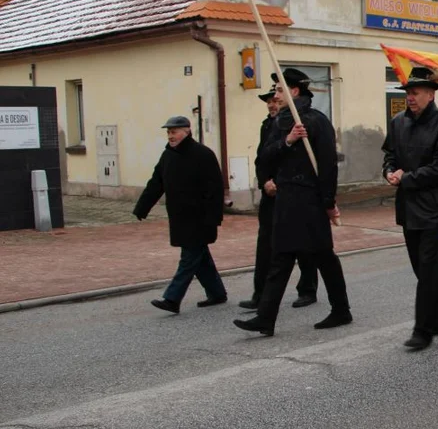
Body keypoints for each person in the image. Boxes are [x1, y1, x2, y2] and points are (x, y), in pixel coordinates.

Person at [234, 69, 352, 336]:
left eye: (279, 90)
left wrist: (328, 202)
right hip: (286, 201)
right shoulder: (280, 123)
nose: (275, 96)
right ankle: (265, 318)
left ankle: (341, 310)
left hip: (310, 202)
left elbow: (328, 166)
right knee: (281, 257)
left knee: (324, 257)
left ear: (294, 91)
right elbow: (265, 158)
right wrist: (287, 141)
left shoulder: (317, 121)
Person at [380, 67, 438, 350]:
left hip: (437, 209)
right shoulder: (398, 122)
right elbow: (389, 154)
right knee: (424, 268)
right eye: (408, 93)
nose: (410, 98)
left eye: (414, 93)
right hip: (408, 208)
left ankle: (422, 329)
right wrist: (389, 171)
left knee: (427, 268)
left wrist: (406, 179)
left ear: (430, 93)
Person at [134, 115, 226, 314]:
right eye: (168, 132)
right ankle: (217, 293)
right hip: (179, 217)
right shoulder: (168, 156)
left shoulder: (203, 154)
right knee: (199, 258)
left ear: (186, 131)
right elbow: (156, 183)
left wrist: (214, 217)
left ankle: (172, 299)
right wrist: (142, 207)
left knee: (189, 259)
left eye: (173, 132)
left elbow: (215, 189)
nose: (170, 136)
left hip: (200, 218)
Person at [240, 89, 319, 311]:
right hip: (270, 194)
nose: (272, 105)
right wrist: (265, 182)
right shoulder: (267, 126)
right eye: (269, 102)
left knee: (301, 242)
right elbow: (261, 159)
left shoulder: (298, 123)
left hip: (291, 192)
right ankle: (260, 294)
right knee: (265, 244)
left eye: (275, 101)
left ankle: (307, 289)